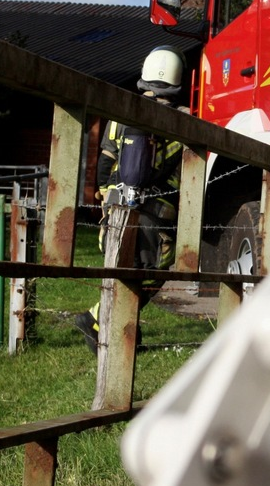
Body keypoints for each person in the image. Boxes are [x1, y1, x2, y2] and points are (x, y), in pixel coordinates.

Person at [73, 45, 189, 354]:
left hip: (116, 206)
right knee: (152, 271)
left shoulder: (122, 111)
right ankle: (97, 318)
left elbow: (106, 158)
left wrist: (104, 194)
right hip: (154, 211)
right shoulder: (181, 119)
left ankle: (119, 334)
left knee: (122, 269)